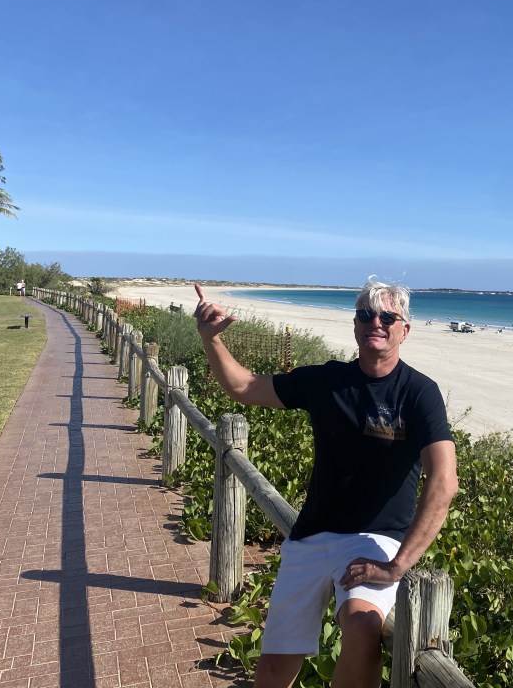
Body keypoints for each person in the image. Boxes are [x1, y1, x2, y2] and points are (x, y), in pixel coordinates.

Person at [194, 278, 459, 688]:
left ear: (404, 330)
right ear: (355, 326)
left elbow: (444, 480)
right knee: (273, 665)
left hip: (377, 537)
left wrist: (398, 566)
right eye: (365, 314)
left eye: (387, 317)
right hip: (311, 535)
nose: (375, 322)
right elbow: (244, 387)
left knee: (362, 625)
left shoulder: (419, 393)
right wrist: (210, 338)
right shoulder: (327, 380)